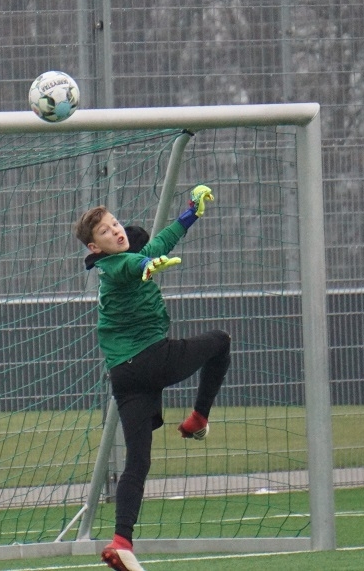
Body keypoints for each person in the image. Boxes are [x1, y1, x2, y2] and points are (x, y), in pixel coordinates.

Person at [75, 186, 232, 571]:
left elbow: (160, 242)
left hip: (125, 377)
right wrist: (148, 266)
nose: (115, 230)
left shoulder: (124, 256)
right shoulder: (114, 266)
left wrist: (191, 213)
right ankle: (198, 418)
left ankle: (121, 542)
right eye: (105, 231)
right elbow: (133, 267)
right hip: (151, 359)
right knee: (220, 342)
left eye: (114, 224)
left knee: (138, 460)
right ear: (94, 248)